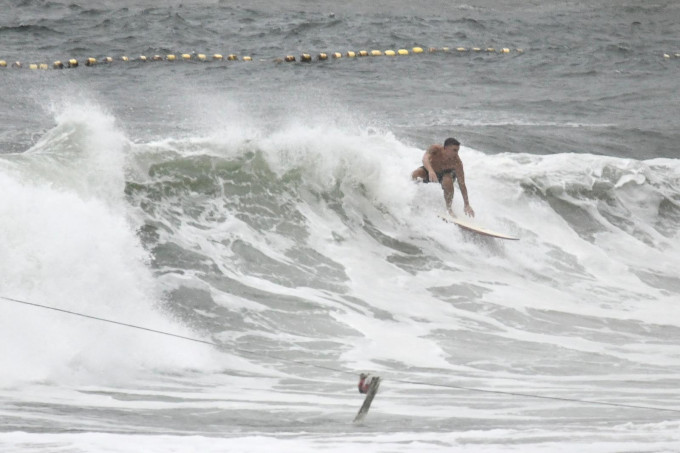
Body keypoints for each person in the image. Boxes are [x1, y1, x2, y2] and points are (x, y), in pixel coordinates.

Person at [411, 137, 475, 217]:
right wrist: (430, 171)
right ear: (446, 148)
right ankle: (411, 194)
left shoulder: (457, 162)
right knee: (416, 173)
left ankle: (449, 209)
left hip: (446, 174)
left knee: (447, 181)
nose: (456, 153)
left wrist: (467, 204)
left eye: (458, 151)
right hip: (432, 170)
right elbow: (425, 159)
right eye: (454, 150)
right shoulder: (435, 149)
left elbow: (462, 183)